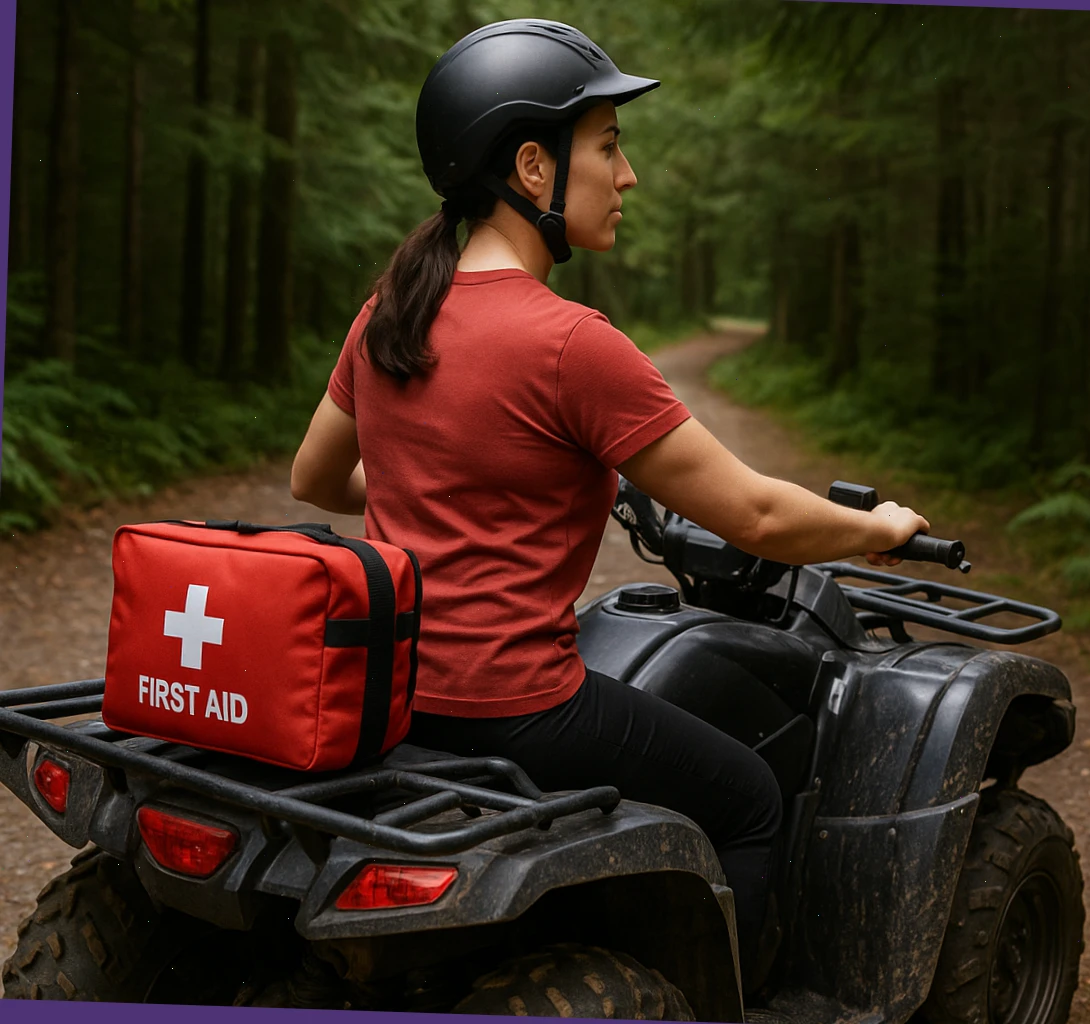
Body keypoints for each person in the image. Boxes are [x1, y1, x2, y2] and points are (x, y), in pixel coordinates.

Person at [289, 19, 929, 988]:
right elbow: (753, 516)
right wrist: (877, 527)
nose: (626, 175)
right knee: (752, 798)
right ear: (534, 168)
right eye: (610, 145)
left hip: (403, 698)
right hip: (521, 707)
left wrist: (443, 481)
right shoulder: (571, 344)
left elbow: (318, 479)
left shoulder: (392, 309)